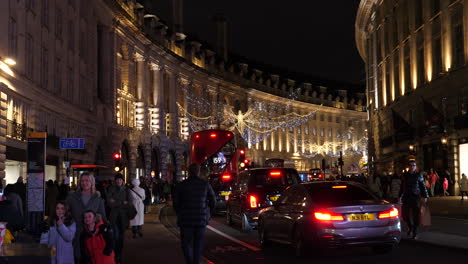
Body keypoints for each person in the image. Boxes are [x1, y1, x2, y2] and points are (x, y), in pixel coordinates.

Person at [173, 164, 216, 264]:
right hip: (200, 219)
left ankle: (189, 261)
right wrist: (208, 214)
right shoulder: (205, 184)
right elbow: (213, 200)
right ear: (198, 172)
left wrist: (180, 213)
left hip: (185, 220)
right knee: (198, 244)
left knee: (186, 244)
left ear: (189, 172)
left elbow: (175, 203)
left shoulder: (181, 185)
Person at [66, 172, 107, 263]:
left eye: (87, 180)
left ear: (92, 182)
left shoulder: (98, 198)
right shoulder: (72, 197)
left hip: (92, 235)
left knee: (90, 258)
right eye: (82, 181)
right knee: (77, 257)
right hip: (76, 233)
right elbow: (65, 211)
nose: (84, 183)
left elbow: (103, 216)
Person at [106, 173, 132, 264]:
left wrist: (116, 202)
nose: (118, 181)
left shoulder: (126, 190)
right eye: (117, 179)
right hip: (113, 217)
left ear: (122, 181)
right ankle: (115, 255)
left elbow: (129, 203)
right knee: (115, 236)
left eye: (120, 179)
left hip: (123, 218)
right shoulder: (111, 189)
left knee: (121, 238)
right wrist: (121, 202)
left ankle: (119, 255)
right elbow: (109, 202)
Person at [399, 160, 429, 239]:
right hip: (406, 196)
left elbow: (423, 186)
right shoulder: (405, 175)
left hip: (415, 197)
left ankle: (415, 231)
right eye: (411, 165)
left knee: (416, 215)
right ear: (408, 167)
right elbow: (402, 187)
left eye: (414, 165)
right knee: (404, 215)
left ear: (416, 167)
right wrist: (399, 196)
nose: (412, 167)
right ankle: (410, 226)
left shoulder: (419, 175)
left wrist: (425, 196)